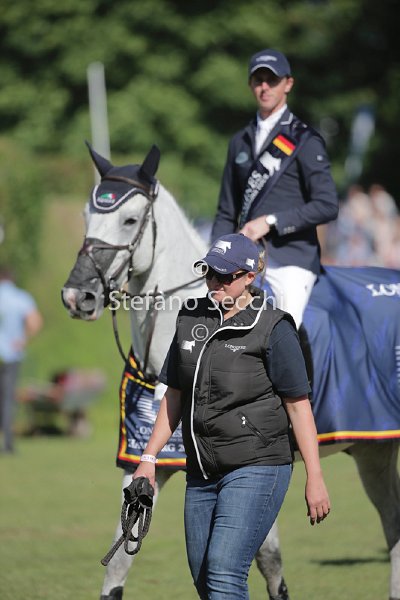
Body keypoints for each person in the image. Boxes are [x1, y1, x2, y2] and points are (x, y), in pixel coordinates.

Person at [133, 233, 330, 599]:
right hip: (202, 471)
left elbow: (298, 406)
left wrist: (314, 477)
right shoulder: (190, 317)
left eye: (225, 276)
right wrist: (148, 459)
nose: (215, 283)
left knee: (224, 571)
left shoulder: (273, 326)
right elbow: (174, 395)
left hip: (258, 466)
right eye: (209, 273)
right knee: (204, 577)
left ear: (250, 276)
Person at [211, 49, 339, 328]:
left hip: (291, 261)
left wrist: (270, 222)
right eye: (258, 80)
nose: (265, 87)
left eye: (272, 80)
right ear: (250, 85)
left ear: (288, 84)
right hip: (243, 261)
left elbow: (327, 205)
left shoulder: (305, 140)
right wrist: (216, 259)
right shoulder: (239, 141)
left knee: (283, 328)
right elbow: (226, 212)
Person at [0, 266, 43, 453]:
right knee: (8, 399)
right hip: (10, 354)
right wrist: (23, 339)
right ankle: (7, 442)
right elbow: (35, 322)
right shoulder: (20, 297)